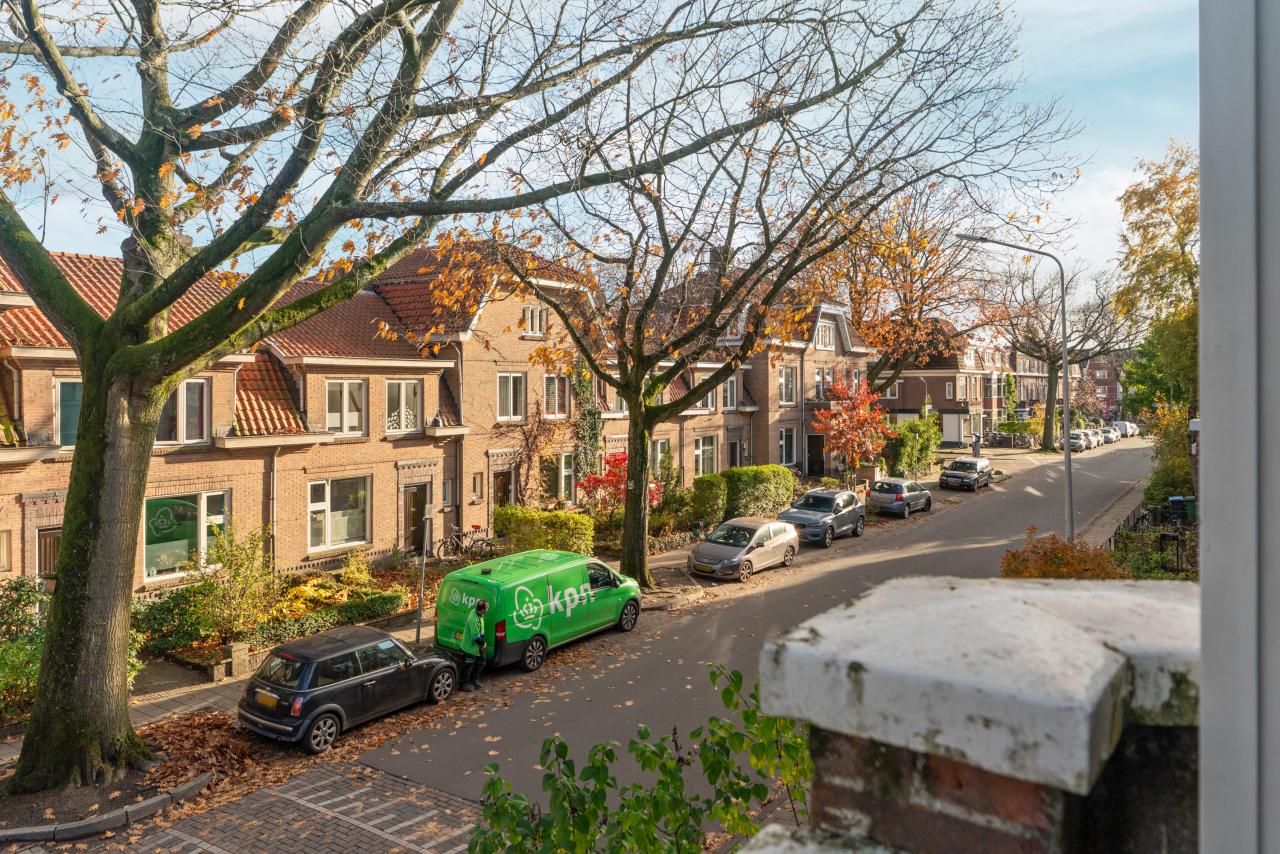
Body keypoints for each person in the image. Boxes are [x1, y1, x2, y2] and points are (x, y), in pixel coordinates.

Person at [461, 599, 488, 691]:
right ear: (483, 609)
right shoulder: (474, 619)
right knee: (468, 666)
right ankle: (464, 685)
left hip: (476, 646)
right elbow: (475, 638)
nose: (488, 609)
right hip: (470, 647)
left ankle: (474, 680)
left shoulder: (477, 613)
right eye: (487, 607)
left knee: (481, 662)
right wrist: (483, 643)